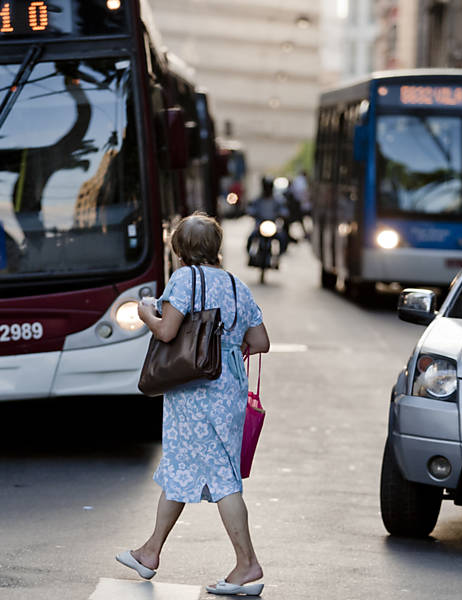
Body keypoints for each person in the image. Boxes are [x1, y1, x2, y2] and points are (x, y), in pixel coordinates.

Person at [120, 213, 270, 596]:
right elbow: (262, 340)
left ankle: (247, 564)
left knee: (222, 477)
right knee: (182, 465)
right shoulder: (236, 284)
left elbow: (167, 330)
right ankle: (150, 552)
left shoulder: (185, 279)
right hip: (228, 389)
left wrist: (145, 314)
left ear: (181, 250)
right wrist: (227, 345)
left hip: (195, 391)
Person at [246, 176, 289, 254]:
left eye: (269, 187)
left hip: (273, 225)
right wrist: (251, 212)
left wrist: (283, 214)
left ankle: (281, 254)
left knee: (282, 237)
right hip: (260, 224)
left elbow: (284, 210)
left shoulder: (277, 200)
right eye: (266, 187)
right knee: (251, 237)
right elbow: (251, 208)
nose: (267, 190)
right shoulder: (258, 200)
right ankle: (250, 255)